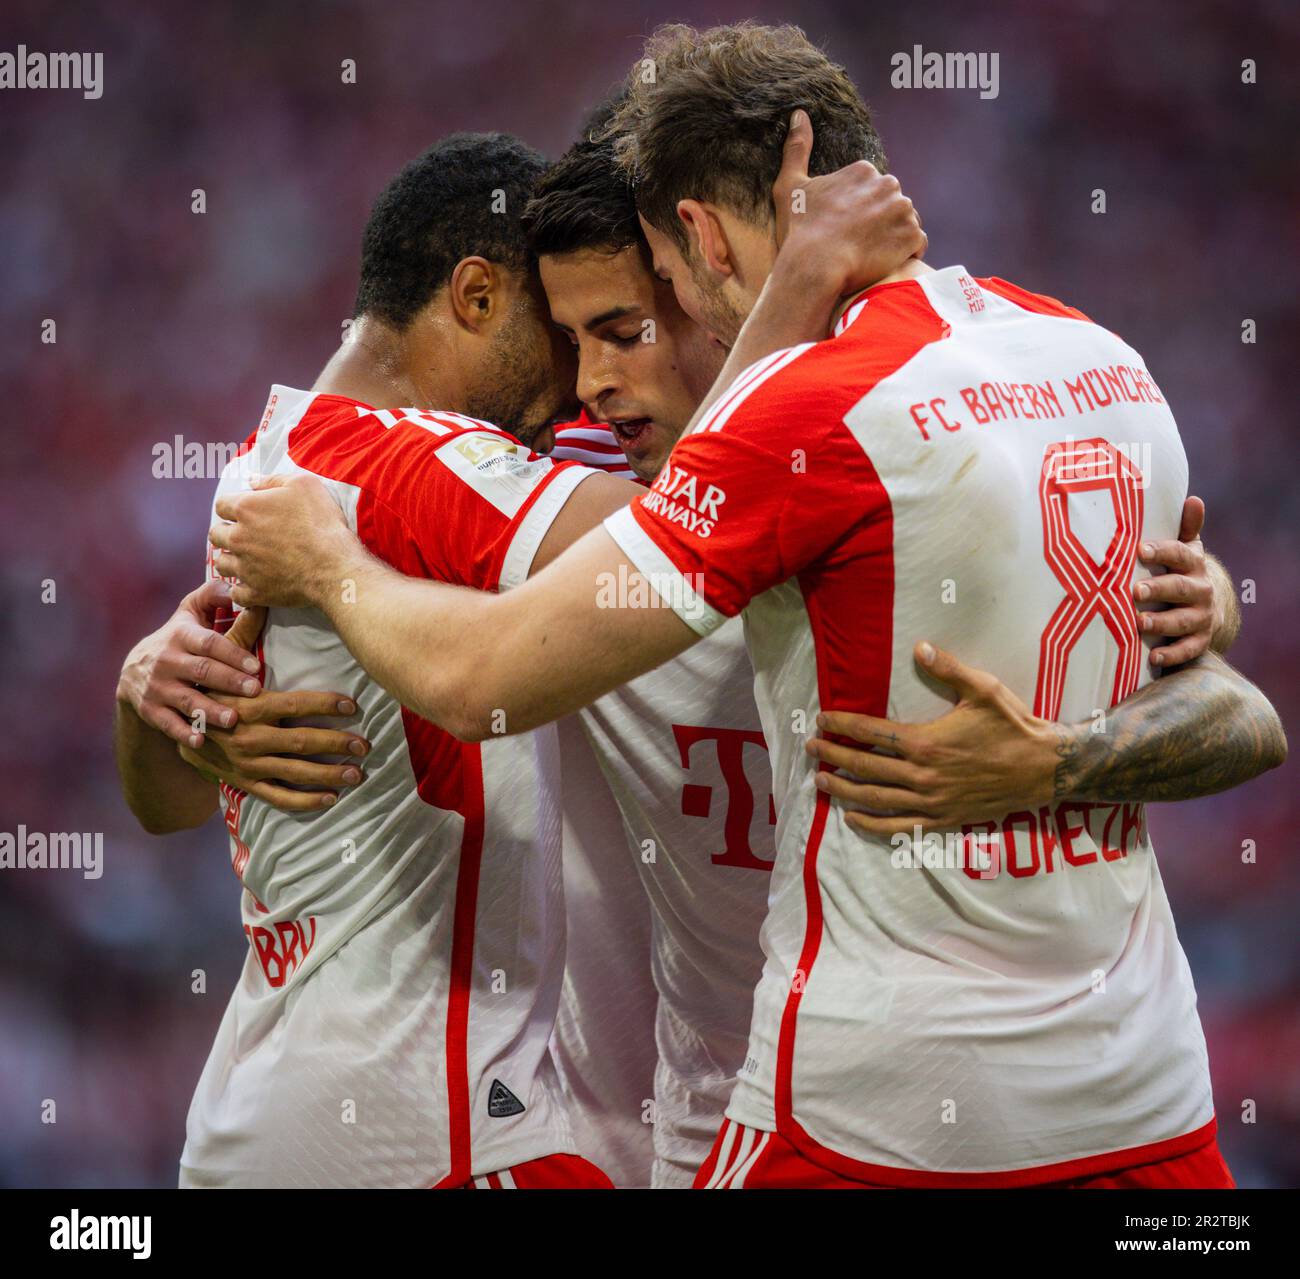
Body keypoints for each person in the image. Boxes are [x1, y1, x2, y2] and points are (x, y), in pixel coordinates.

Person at [208, 24, 1286, 1190]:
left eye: (634, 318)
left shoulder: (791, 434)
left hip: (857, 1117)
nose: (592, 381)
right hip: (1123, 1104)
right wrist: (173, 671)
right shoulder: (1094, 365)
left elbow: (484, 676)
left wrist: (326, 568)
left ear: (705, 245)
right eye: (570, 345)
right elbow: (1241, 716)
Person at [115, 126, 927, 1187]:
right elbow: (700, 539)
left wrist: (149, 695)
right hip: (433, 1131)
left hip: (274, 1114)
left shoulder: (282, 462)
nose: (581, 383)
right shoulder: (421, 466)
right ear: (476, 297)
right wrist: (799, 292)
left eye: (617, 331)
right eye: (559, 332)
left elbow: (162, 798)